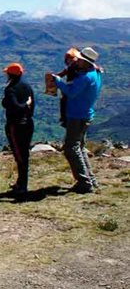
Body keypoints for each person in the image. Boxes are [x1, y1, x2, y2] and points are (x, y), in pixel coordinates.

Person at [53, 47, 103, 194]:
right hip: (84, 114)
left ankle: (84, 182)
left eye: (80, 60)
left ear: (86, 62)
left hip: (77, 116)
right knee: (79, 147)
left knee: (71, 148)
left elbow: (71, 92)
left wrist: (58, 81)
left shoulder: (86, 77)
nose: (77, 61)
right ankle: (90, 179)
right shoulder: (94, 73)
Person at [1, 63, 35, 197]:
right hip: (28, 123)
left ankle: (22, 186)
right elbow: (32, 104)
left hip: (15, 125)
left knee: (20, 156)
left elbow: (15, 106)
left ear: (10, 75)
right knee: (23, 154)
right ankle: (21, 183)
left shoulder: (10, 89)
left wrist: (23, 105)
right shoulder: (27, 86)